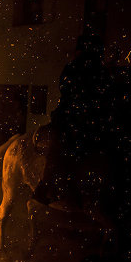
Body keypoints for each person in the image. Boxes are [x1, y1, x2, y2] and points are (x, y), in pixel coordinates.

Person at [33, 30, 109, 204]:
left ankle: (45, 188)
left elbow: (66, 88)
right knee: (58, 149)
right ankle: (46, 188)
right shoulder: (92, 69)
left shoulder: (75, 67)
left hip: (74, 119)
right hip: (78, 119)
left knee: (59, 149)